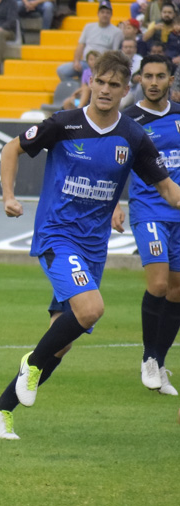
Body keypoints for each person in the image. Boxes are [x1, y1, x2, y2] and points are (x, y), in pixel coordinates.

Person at [0, 50, 180, 440]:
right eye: (101, 82)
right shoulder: (64, 124)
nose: (106, 90)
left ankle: (1, 408)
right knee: (91, 309)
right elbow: (12, 149)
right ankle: (31, 366)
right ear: (90, 81)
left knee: (61, 342)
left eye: (115, 85)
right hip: (57, 236)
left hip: (94, 247)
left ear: (127, 90)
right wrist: (8, 195)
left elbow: (169, 190)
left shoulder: (133, 136)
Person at [113, 55, 180, 396]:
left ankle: (160, 360)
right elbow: (115, 166)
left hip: (179, 212)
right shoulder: (129, 120)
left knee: (177, 290)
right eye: (148, 76)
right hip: (149, 210)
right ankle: (148, 358)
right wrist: (113, 206)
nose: (154, 82)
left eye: (160, 76)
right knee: (157, 284)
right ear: (139, 79)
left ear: (171, 79)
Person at [57, 0, 122, 81]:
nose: (105, 15)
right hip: (85, 63)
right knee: (62, 71)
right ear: (98, 13)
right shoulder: (88, 27)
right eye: (102, 12)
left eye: (107, 12)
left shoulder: (117, 32)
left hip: (101, 66)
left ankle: (84, 87)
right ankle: (77, 87)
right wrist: (76, 61)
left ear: (111, 15)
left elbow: (114, 53)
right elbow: (81, 45)